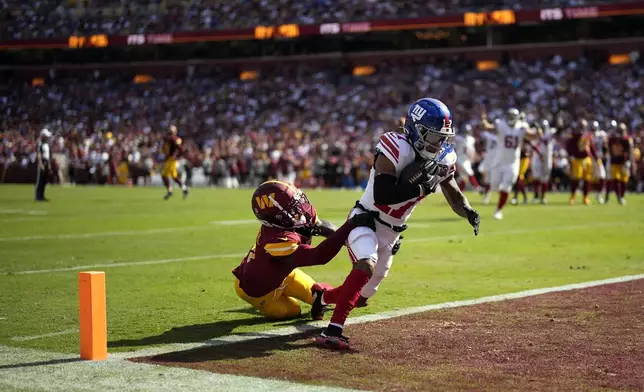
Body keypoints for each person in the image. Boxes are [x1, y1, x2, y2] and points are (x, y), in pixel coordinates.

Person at [315, 98, 480, 350]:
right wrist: (422, 187)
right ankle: (332, 331)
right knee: (365, 266)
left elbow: (452, 190)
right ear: (416, 129)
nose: (440, 144)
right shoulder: (395, 146)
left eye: (443, 137)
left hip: (392, 231)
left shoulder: (444, 157)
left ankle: (322, 297)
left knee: (361, 298)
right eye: (434, 137)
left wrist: (468, 211)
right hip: (366, 218)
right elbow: (382, 195)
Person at [232, 180, 377, 320]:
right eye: (292, 207)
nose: (300, 208)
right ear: (277, 216)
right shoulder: (277, 240)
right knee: (293, 310)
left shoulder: (289, 220)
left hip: (284, 273)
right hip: (257, 290)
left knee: (322, 295)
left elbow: (320, 226)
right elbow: (319, 256)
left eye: (298, 201)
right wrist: (349, 225)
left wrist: (361, 240)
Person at [484, 108, 538, 220]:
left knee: (506, 187)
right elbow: (488, 128)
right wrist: (483, 119)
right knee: (494, 185)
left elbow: (533, 136)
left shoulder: (522, 127)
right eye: (510, 116)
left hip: (512, 163)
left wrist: (538, 130)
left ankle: (498, 210)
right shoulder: (501, 124)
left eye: (513, 117)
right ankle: (499, 200)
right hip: (498, 161)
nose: (511, 119)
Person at [565, 120, 598, 205]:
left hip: (587, 158)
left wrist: (596, 158)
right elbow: (568, 145)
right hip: (577, 159)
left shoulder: (588, 135)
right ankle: (572, 196)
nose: (582, 129)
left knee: (587, 179)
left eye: (583, 127)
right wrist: (570, 155)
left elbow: (592, 147)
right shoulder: (574, 135)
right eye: (581, 127)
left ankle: (585, 197)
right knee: (576, 178)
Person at [605, 123, 634, 205]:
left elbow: (629, 151)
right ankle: (619, 197)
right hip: (614, 162)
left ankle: (622, 196)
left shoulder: (626, 139)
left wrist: (628, 161)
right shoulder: (612, 139)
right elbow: (609, 149)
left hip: (623, 162)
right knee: (616, 179)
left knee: (624, 180)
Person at [530, 120, 556, 204]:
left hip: (547, 157)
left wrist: (560, 125)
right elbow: (533, 145)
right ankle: (536, 195)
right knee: (536, 177)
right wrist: (539, 154)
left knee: (545, 178)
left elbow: (558, 131)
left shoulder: (550, 133)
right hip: (537, 156)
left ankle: (543, 196)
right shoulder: (534, 132)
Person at [161, 125, 189, 200]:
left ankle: (171, 190)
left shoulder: (175, 139)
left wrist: (175, 156)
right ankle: (184, 189)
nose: (169, 132)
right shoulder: (167, 138)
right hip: (168, 159)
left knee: (166, 175)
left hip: (171, 160)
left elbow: (181, 149)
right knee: (172, 176)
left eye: (171, 131)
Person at [35, 128, 52, 202]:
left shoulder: (47, 144)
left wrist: (49, 164)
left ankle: (42, 195)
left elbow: (48, 155)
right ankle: (38, 196)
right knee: (40, 180)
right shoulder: (40, 143)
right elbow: (39, 154)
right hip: (42, 162)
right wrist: (40, 163)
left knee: (44, 180)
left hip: (46, 162)